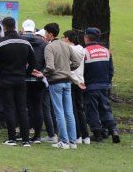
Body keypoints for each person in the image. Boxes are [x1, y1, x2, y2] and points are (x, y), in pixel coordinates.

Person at [0, 16, 36, 147]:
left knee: (9, 108)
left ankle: (12, 138)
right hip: (21, 78)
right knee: (22, 108)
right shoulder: (25, 43)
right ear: (15, 26)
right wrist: (25, 73)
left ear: (3, 27)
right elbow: (33, 62)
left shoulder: (1, 42)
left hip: (6, 78)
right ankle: (26, 139)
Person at [42, 22, 82, 150]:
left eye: (45, 32)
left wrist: (43, 74)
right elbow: (76, 62)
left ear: (50, 34)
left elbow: (50, 67)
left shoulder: (49, 47)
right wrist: (66, 69)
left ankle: (64, 141)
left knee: (59, 112)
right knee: (69, 112)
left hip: (56, 82)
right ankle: (72, 141)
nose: (44, 35)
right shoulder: (66, 46)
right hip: (67, 81)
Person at [83, 27, 120, 143]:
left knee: (92, 109)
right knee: (106, 109)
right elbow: (111, 70)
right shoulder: (106, 51)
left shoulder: (84, 52)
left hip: (90, 86)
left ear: (86, 37)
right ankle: (113, 130)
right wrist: (107, 82)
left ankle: (97, 134)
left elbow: (81, 71)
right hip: (105, 85)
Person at [22, 19, 49, 144]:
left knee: (23, 107)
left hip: (23, 78)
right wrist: (41, 72)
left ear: (23, 29)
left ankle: (24, 134)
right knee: (37, 107)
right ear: (34, 30)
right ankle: (37, 135)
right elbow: (47, 62)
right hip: (38, 79)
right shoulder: (44, 44)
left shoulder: (19, 42)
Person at [63, 30, 89, 145]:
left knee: (72, 109)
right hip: (81, 80)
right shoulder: (82, 49)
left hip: (72, 81)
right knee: (80, 109)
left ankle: (77, 135)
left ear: (67, 38)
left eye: (63, 38)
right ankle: (85, 136)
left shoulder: (69, 49)